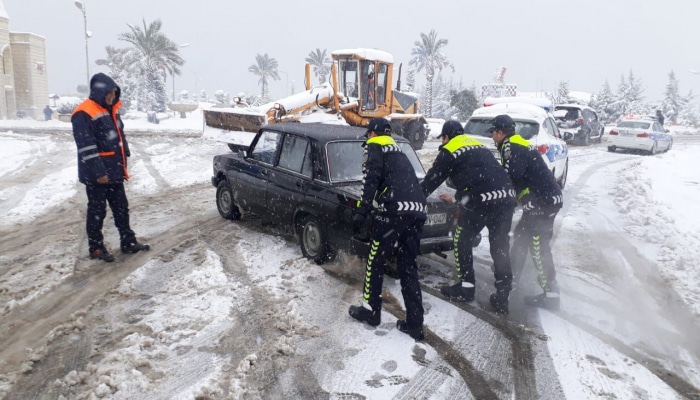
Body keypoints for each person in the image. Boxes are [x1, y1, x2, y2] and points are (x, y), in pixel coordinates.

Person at [421, 120, 517, 314]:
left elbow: (431, 181)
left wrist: (413, 199)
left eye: (443, 139)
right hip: (506, 197)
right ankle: (503, 294)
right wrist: (458, 197)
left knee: (461, 237)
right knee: (499, 245)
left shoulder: (449, 149)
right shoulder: (477, 145)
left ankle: (466, 287)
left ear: (446, 137)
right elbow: (480, 176)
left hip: (481, 201)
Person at [348, 117, 428, 340]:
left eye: (368, 135)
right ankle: (415, 323)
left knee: (375, 259)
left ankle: (371, 311)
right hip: (418, 210)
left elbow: (370, 181)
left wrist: (362, 211)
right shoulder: (399, 151)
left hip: (394, 210)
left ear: (372, 133)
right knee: (408, 266)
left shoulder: (374, 146)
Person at [71, 73, 150, 262]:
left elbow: (119, 135)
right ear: (100, 91)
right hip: (97, 174)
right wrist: (99, 172)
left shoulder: (110, 109)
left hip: (114, 170)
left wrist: (126, 152)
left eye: (114, 94)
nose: (112, 97)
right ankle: (96, 248)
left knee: (121, 208)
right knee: (97, 211)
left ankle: (128, 241)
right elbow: (86, 146)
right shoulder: (84, 112)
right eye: (109, 94)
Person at [491, 115, 564, 310]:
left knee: (538, 246)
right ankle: (511, 275)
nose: (491, 136)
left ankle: (551, 294)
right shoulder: (516, 143)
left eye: (493, 132)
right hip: (542, 199)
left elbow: (511, 176)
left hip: (543, 202)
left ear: (500, 132)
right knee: (522, 236)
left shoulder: (511, 146)